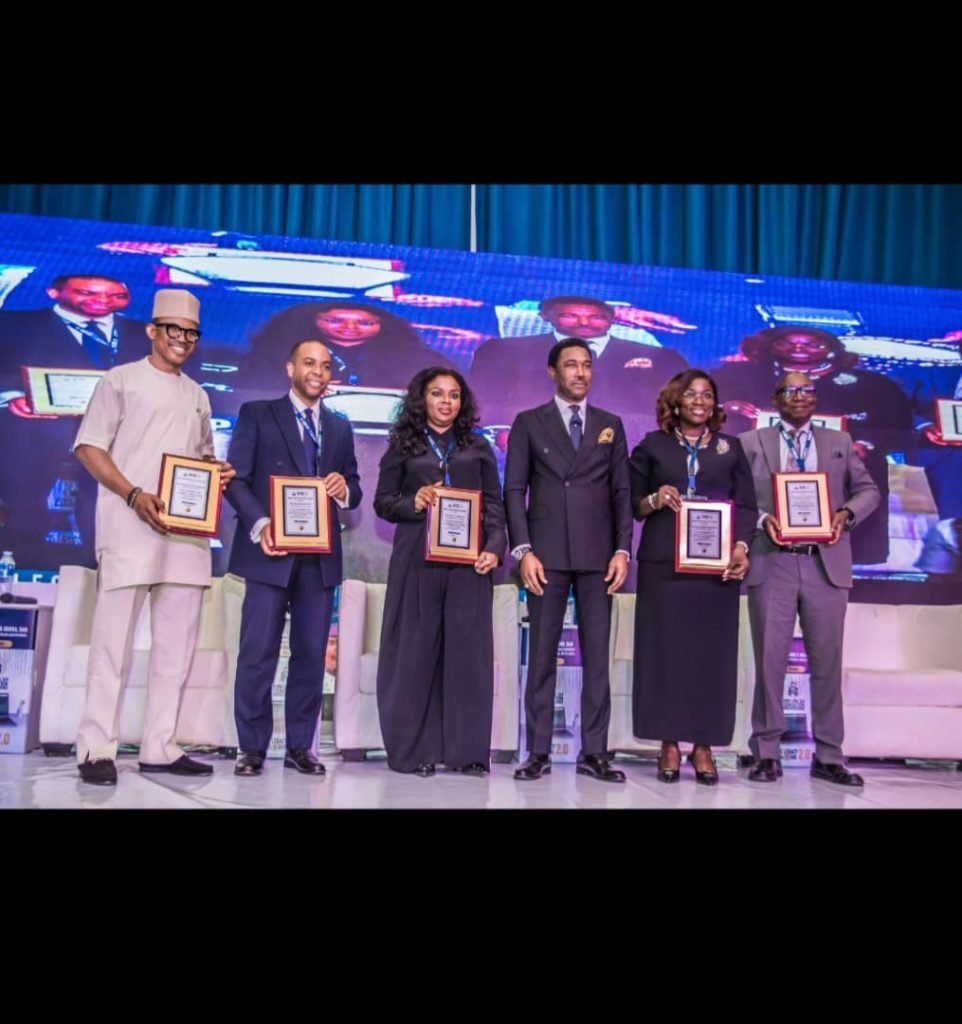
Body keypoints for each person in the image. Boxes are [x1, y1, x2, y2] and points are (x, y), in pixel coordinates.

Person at [71, 289, 234, 785]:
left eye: (191, 334)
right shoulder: (120, 380)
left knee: (175, 649)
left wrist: (217, 473)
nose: (182, 340)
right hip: (129, 528)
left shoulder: (198, 395)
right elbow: (89, 448)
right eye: (173, 330)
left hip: (185, 538)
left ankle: (159, 747)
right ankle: (96, 748)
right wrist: (133, 494)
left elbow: (201, 460)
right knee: (112, 645)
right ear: (151, 331)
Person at [224, 340, 361, 777]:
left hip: (319, 559)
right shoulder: (257, 414)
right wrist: (261, 524)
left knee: (310, 654)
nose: (318, 371)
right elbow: (235, 481)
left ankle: (301, 747)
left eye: (326, 365)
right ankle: (251, 747)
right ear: (290, 368)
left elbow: (355, 486)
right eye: (309, 363)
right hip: (269, 552)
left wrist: (344, 490)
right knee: (257, 653)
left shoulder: (339, 426)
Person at [740, 371, 881, 786]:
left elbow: (869, 491)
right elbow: (739, 498)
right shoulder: (751, 442)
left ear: (815, 399)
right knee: (770, 662)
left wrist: (845, 514)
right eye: (790, 390)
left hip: (825, 564)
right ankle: (766, 753)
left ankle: (829, 756)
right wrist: (762, 519)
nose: (799, 396)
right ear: (776, 398)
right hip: (774, 561)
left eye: (807, 390)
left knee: (827, 663)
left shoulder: (839, 442)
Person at [504, 338, 632, 783]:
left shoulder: (610, 424)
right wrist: (522, 550)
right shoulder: (528, 422)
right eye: (571, 365)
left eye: (587, 365)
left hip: (599, 557)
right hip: (545, 555)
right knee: (541, 656)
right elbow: (513, 491)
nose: (580, 372)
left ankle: (594, 752)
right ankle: (537, 751)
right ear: (553, 372)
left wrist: (622, 549)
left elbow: (621, 493)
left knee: (597, 658)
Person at [373, 367, 505, 776]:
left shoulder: (478, 446)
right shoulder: (403, 444)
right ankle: (417, 752)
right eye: (437, 394)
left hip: (468, 563)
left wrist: (494, 548)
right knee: (416, 653)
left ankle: (468, 753)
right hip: (417, 560)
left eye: (453, 395)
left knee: (468, 655)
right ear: (422, 398)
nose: (446, 402)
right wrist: (414, 501)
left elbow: (494, 505)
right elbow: (382, 502)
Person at [628, 369, 756, 785]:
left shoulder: (730, 448)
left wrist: (741, 547)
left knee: (710, 657)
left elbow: (747, 506)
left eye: (707, 394)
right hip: (663, 567)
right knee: (664, 653)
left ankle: (703, 744)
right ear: (675, 401)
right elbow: (631, 503)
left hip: (716, 571)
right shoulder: (653, 445)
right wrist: (655, 497)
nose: (700, 401)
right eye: (691, 394)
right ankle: (668, 743)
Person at [711, 325, 905, 564]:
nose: (799, 348)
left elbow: (895, 424)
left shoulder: (871, 384)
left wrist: (865, 444)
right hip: (760, 465)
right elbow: (697, 408)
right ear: (770, 347)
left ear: (832, 349)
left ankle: (837, 559)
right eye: (788, 343)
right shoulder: (737, 374)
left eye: (812, 344)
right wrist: (725, 407)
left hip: (838, 469)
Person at [0, 274, 150, 571]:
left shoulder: (145, 334)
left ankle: (101, 572)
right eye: (88, 293)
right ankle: (17, 572)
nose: (102, 301)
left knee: (104, 508)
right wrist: (11, 397)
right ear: (53, 292)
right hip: (33, 437)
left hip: (118, 440)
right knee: (24, 508)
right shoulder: (12, 324)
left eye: (116, 296)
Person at [469, 295, 690, 441]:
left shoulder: (663, 359)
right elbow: (483, 403)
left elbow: (678, 407)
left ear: (612, 319)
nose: (584, 323)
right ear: (545, 316)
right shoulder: (504, 351)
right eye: (570, 315)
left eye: (596, 317)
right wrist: (503, 434)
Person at [245, 301, 454, 391]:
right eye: (335, 321)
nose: (350, 328)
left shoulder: (417, 358)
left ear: (384, 324)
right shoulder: (279, 353)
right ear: (314, 320)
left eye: (365, 323)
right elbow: (253, 388)